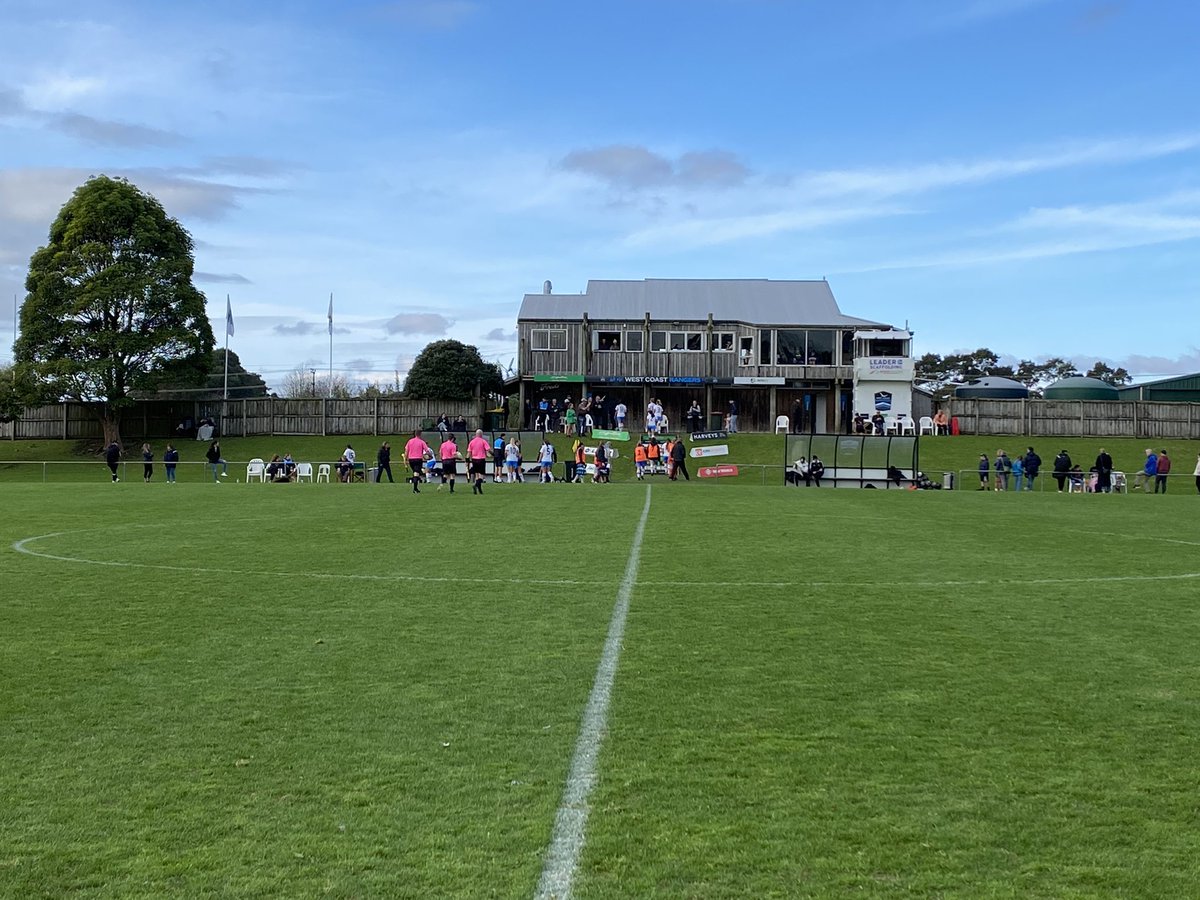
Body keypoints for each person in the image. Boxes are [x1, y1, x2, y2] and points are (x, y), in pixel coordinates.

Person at [467, 429, 490, 494]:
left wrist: (467, 460)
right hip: (481, 459)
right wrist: (490, 455)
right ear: (481, 434)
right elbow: (487, 451)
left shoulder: (471, 442)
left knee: (477, 475)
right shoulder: (483, 441)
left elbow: (469, 452)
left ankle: (479, 490)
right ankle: (475, 485)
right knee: (481, 475)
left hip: (474, 459)